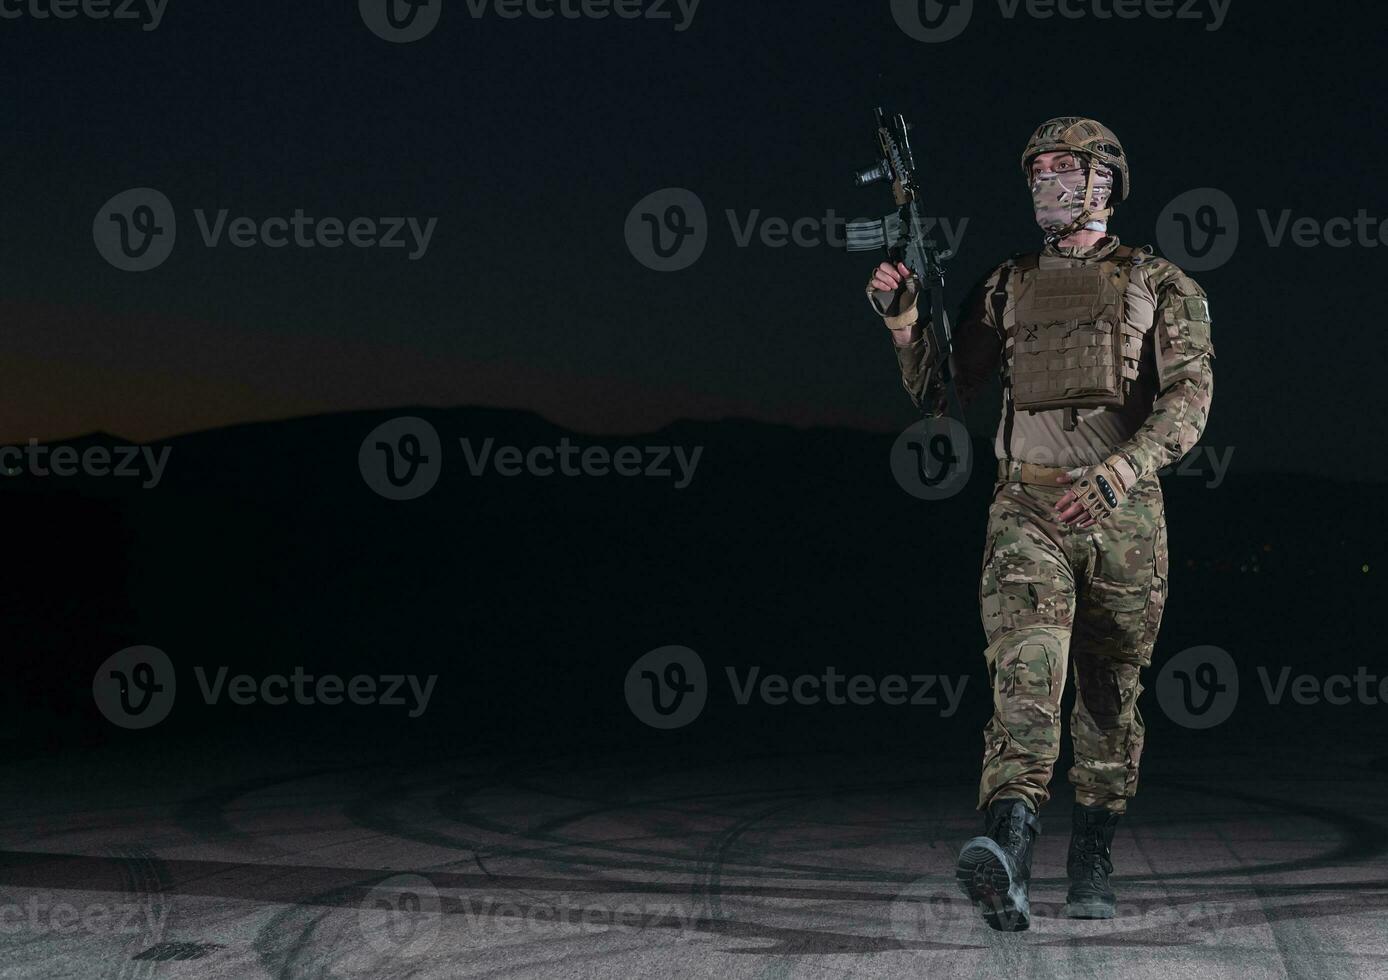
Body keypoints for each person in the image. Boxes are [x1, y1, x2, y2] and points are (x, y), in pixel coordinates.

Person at [865, 117, 1214, 931]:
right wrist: (903, 321)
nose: (1044, 179)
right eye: (1036, 168)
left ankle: (1092, 853)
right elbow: (942, 391)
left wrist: (1122, 469)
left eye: (1062, 165)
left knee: (1109, 696)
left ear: (1103, 181)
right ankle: (1009, 851)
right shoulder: (1008, 282)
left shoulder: (1162, 283)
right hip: (1027, 506)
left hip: (1124, 513)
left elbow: (1190, 401)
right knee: (1026, 675)